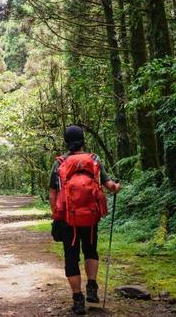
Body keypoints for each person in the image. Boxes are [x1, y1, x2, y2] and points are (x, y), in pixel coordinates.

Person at [49, 125, 121, 315]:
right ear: (83, 140)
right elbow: (109, 186)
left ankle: (78, 299)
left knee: (71, 257)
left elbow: (53, 193)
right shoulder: (94, 159)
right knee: (90, 250)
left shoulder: (59, 162)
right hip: (90, 217)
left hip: (67, 219)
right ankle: (92, 287)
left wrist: (56, 214)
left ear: (66, 141)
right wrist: (117, 186)